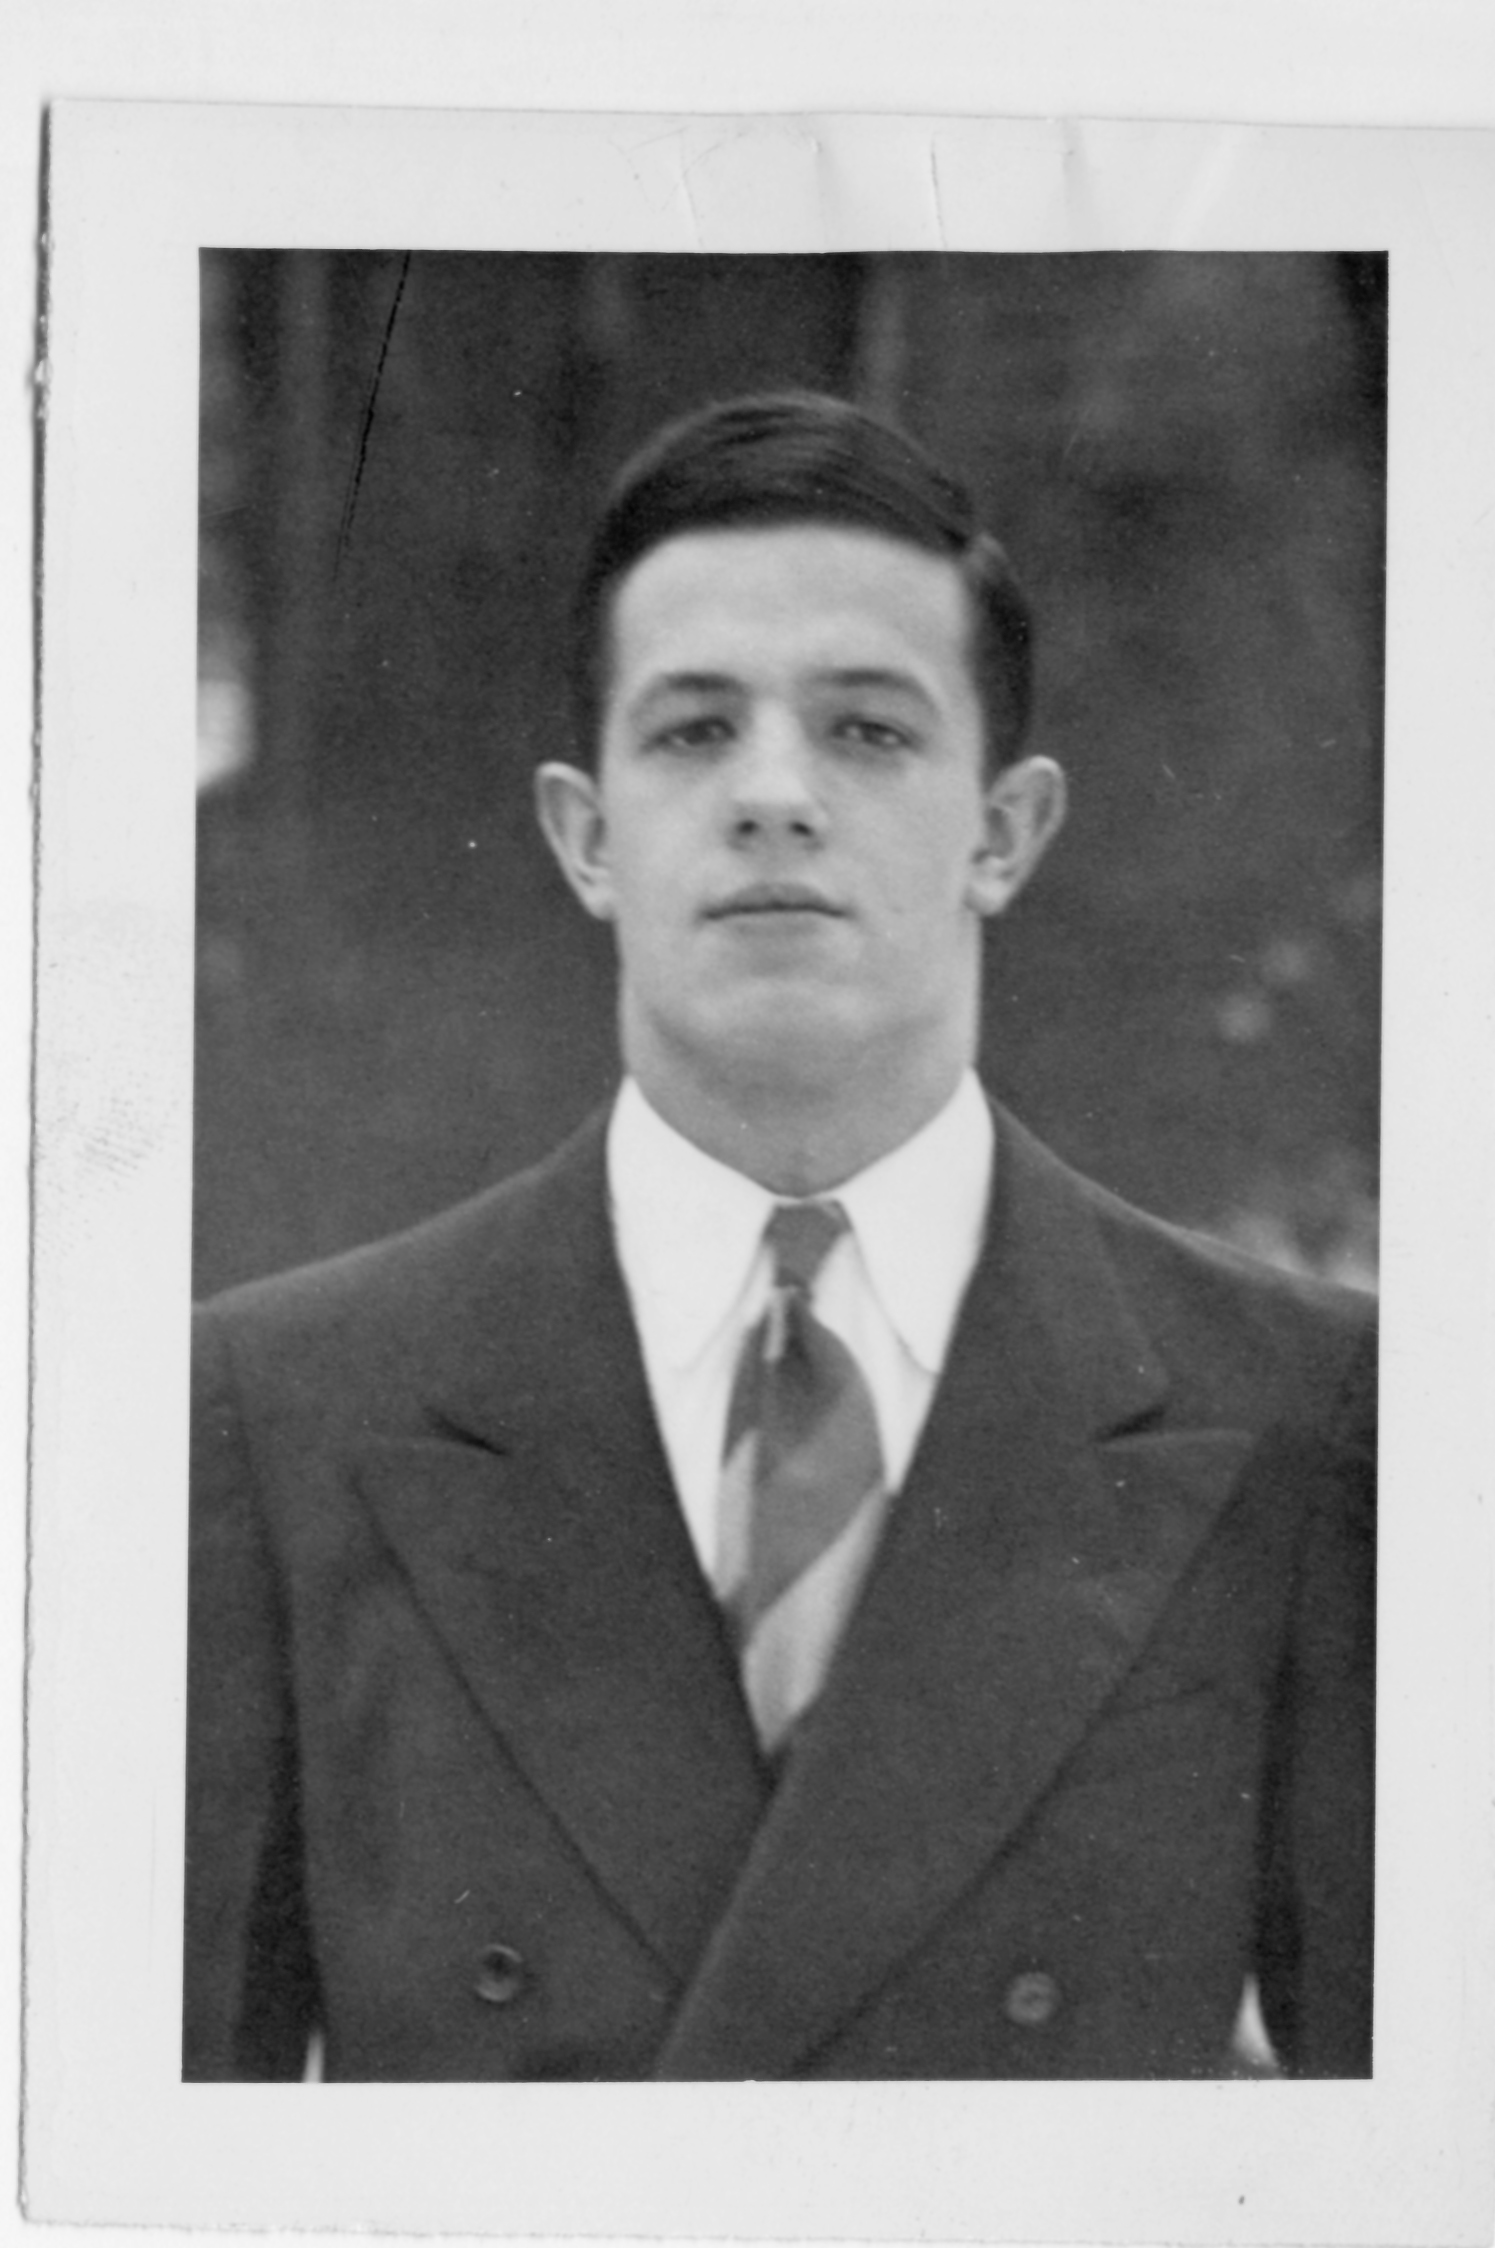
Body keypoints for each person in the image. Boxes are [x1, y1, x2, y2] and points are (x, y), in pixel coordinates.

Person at [184, 391, 1376, 2083]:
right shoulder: (275, 1409)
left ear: (1003, 830)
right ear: (583, 838)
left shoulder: (1299, 1413)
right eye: (687, 732)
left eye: (868, 731)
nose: (771, 797)